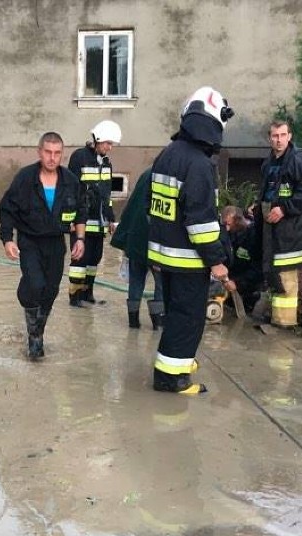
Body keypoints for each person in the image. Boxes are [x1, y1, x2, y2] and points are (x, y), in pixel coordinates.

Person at [148, 86, 234, 395]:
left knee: (176, 315)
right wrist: (217, 262)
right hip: (187, 260)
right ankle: (172, 378)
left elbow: (156, 208)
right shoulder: (199, 165)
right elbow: (201, 224)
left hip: (164, 256)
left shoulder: (167, 155)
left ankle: (178, 361)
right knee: (187, 318)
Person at [0, 132, 86, 360]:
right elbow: (6, 209)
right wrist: (7, 239)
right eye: (48, 152)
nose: (52, 158)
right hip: (29, 241)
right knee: (35, 285)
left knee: (51, 290)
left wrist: (80, 240)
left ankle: (37, 333)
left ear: (61, 155)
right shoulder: (25, 179)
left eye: (57, 153)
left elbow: (81, 213)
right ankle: (34, 336)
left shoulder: (70, 181)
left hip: (56, 242)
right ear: (39, 152)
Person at [249, 121, 302, 327]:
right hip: (273, 229)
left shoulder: (298, 161)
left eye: (282, 135)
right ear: (270, 138)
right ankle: (276, 317)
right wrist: (258, 206)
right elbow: (269, 190)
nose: (278, 140)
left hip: (291, 230)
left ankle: (285, 322)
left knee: (286, 277)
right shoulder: (269, 162)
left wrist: (284, 208)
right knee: (274, 273)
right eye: (275, 136)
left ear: (289, 136)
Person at [67, 120, 122, 307]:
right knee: (79, 260)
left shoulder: (107, 163)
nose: (110, 147)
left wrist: (112, 219)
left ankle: (87, 293)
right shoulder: (79, 157)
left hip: (99, 223)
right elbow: (70, 190)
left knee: (94, 259)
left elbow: (107, 195)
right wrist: (72, 218)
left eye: (111, 144)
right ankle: (74, 297)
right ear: (97, 140)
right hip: (81, 221)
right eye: (108, 143)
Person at [110, 166, 164, 329]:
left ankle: (133, 321)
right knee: (161, 283)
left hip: (135, 240)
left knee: (136, 281)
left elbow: (130, 209)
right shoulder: (165, 178)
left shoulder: (144, 175)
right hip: (155, 243)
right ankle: (158, 322)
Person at [221, 205, 263, 314]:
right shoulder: (228, 235)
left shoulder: (254, 236)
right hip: (228, 282)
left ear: (238, 220)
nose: (227, 228)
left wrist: (238, 283)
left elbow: (258, 268)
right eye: (225, 224)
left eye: (229, 224)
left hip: (248, 285)